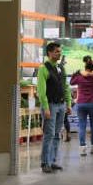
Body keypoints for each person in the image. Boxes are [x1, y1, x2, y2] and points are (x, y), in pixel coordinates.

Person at [37, 42, 72, 173]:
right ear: (50, 53)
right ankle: (45, 162)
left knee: (57, 134)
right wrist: (45, 107)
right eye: (57, 51)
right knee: (49, 134)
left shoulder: (61, 68)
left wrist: (68, 103)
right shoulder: (43, 69)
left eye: (60, 51)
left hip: (61, 105)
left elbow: (66, 87)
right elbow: (41, 91)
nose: (59, 53)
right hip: (50, 106)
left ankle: (52, 161)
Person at [70, 56, 93, 157]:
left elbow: (71, 82)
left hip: (81, 103)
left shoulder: (79, 77)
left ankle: (82, 148)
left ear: (85, 67)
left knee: (82, 126)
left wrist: (76, 72)